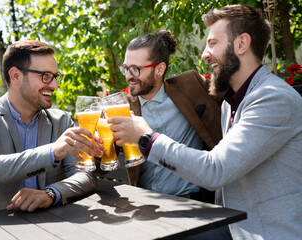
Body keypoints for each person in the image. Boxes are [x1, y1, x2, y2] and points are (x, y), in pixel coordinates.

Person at [108, 4, 302, 240]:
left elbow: (216, 170)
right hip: (228, 222)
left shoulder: (273, 98)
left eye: (212, 43)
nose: (204, 54)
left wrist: (145, 137)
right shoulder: (231, 102)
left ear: (241, 43)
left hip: (265, 232)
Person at [0, 39, 105, 218]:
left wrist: (51, 194)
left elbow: (85, 176)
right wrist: (52, 152)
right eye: (45, 76)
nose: (54, 85)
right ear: (16, 76)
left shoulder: (61, 121)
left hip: (43, 228)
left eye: (55, 77)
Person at [118, 29, 222, 202]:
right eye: (126, 68)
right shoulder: (122, 108)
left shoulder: (191, 86)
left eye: (135, 69)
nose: (129, 76)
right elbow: (101, 166)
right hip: (145, 205)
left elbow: (233, 90)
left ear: (159, 69)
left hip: (195, 203)